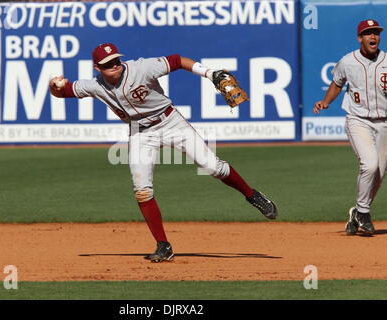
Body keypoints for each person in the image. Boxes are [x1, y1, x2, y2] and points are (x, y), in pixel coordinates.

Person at [49, 43, 278, 262]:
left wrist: (209, 73)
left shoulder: (141, 68)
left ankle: (251, 195)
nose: (115, 65)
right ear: (97, 68)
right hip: (140, 133)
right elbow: (65, 91)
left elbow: (177, 61)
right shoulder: (96, 85)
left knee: (212, 167)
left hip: (170, 122)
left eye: (117, 60)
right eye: (108, 64)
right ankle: (163, 245)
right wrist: (54, 87)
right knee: (141, 190)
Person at [314, 19, 387, 235]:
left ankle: (357, 212)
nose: (373, 37)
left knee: (379, 174)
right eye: (368, 33)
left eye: (376, 33)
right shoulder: (348, 61)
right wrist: (326, 101)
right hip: (358, 121)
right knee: (370, 165)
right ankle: (364, 213)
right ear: (359, 38)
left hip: (384, 122)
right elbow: (337, 83)